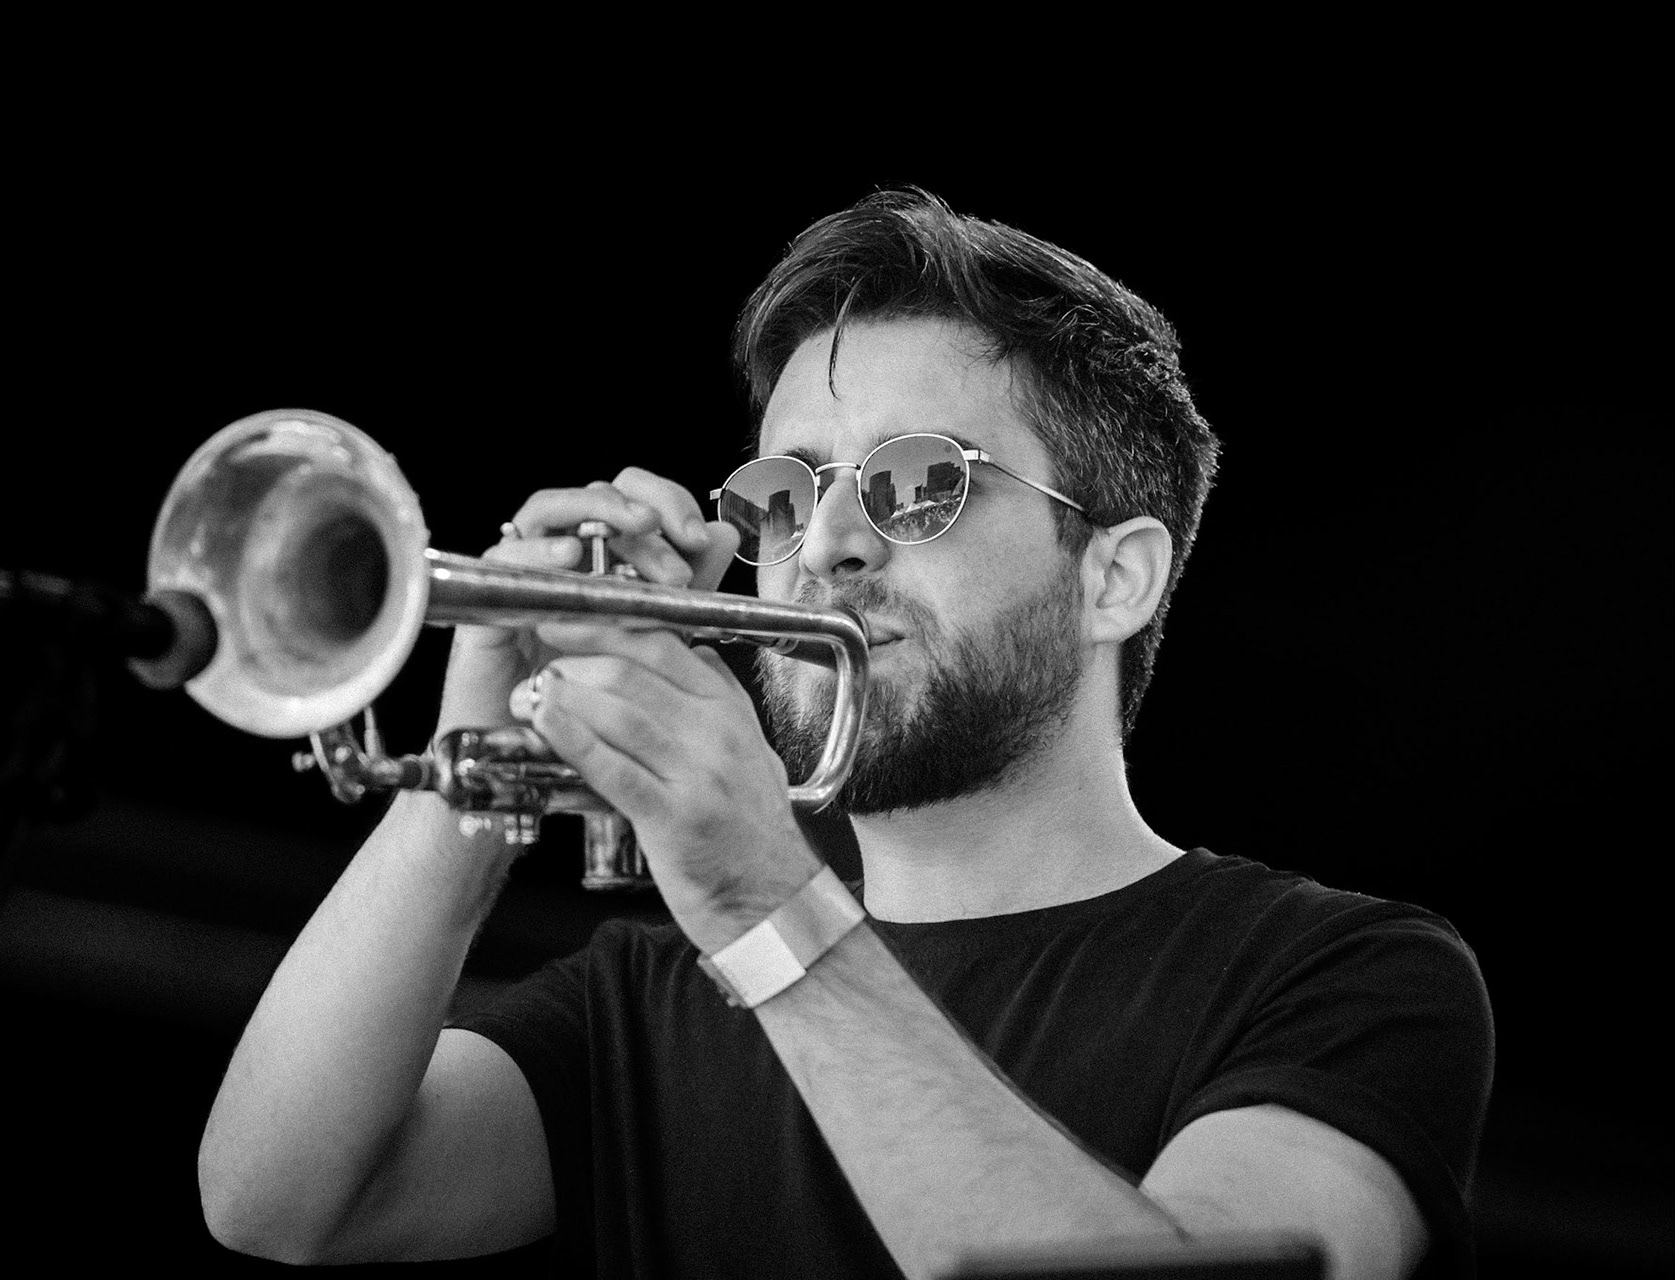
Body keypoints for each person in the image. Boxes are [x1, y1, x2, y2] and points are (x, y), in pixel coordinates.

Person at [197, 188, 1494, 1279]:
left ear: (1117, 578)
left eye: (919, 483)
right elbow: (281, 1198)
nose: (823, 546)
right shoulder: (651, 994)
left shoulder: (1345, 977)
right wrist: (477, 772)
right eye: (784, 490)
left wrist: (763, 896)